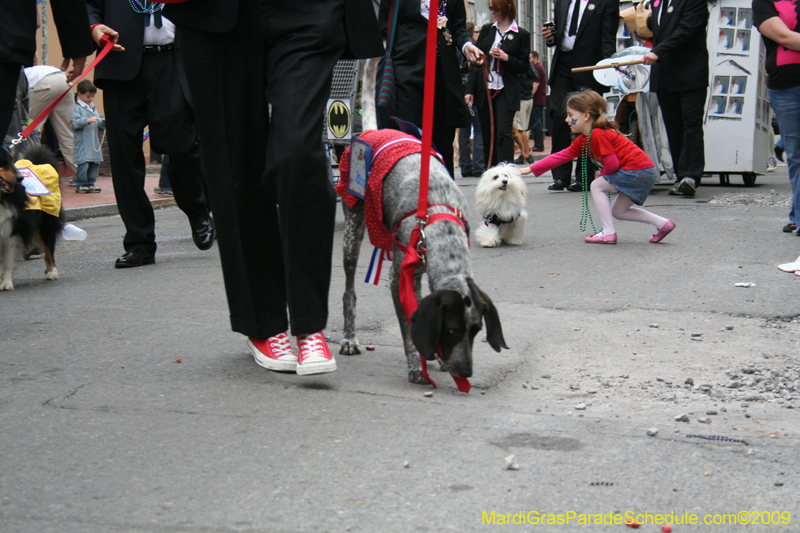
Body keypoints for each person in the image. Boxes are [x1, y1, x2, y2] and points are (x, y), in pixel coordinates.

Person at [163, 0, 383, 375]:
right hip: (219, 15)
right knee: (235, 162)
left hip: (307, 11)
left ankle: (309, 323)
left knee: (298, 152)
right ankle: (263, 323)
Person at [87, 1, 216, 268]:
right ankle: (139, 243)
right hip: (121, 62)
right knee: (124, 156)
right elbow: (88, 4)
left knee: (183, 145)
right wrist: (94, 26)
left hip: (174, 60)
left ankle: (197, 208)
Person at [521, 90, 675, 245]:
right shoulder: (585, 139)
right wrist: (531, 169)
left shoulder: (598, 134)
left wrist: (601, 176)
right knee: (619, 212)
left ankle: (608, 233)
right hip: (645, 171)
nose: (567, 119)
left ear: (586, 116)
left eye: (570, 115)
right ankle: (663, 224)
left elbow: (612, 164)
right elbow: (561, 156)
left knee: (596, 186)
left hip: (637, 170)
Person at [380, 0, 483, 178]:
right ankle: (409, 189)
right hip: (407, 68)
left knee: (443, 141)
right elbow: (384, 27)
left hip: (443, 73)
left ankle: (442, 191)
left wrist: (467, 46)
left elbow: (457, 26)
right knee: (409, 136)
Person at [542, 0, 618, 192]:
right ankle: (560, 176)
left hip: (589, 66)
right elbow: (560, 33)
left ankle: (585, 176)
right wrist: (551, 37)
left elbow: (608, 37)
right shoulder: (563, 2)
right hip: (563, 64)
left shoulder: (606, 3)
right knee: (559, 115)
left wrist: (607, 68)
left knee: (587, 119)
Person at [1, 0, 93, 149]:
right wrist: (76, 46)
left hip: (41, 81)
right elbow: (37, 21)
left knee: (32, 128)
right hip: (59, 78)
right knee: (67, 136)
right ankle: (78, 163)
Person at [642, 0, 709, 198]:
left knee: (691, 124)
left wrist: (658, 51)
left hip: (690, 74)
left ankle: (691, 176)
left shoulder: (693, 2)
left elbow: (686, 31)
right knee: (673, 128)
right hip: (665, 76)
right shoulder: (656, 4)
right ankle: (681, 176)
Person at [466, 0, 531, 167]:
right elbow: (476, 62)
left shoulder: (521, 34)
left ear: (507, 7)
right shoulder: (487, 30)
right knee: (488, 133)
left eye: (496, 9)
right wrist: (469, 90)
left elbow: (524, 66)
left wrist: (506, 58)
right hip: (485, 90)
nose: (493, 12)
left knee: (503, 132)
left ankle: (506, 169)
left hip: (506, 91)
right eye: (491, 9)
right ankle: (491, 171)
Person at [754, 0, 800, 236]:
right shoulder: (764, 2)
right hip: (786, 86)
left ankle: (797, 216)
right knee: (797, 156)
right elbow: (783, 36)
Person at [25, 66, 78, 176]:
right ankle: (82, 177)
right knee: (69, 135)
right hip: (63, 80)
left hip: (40, 84)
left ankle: (29, 175)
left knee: (31, 133)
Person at [458, 22, 485, 177]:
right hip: (471, 91)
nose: (478, 34)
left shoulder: (457, 50)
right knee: (478, 128)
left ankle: (465, 166)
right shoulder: (473, 50)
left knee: (464, 129)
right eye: (476, 32)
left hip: (459, 91)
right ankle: (478, 165)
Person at [70, 79, 103, 193]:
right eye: (88, 96)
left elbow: (98, 125)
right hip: (83, 143)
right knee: (83, 164)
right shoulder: (77, 108)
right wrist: (87, 120)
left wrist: (103, 122)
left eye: (93, 96)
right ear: (80, 94)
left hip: (93, 143)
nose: (91, 99)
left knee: (94, 164)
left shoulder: (93, 107)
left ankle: (90, 182)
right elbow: (75, 123)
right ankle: (81, 183)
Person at [512, 56, 537, 165]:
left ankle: (526, 155)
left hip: (521, 99)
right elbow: (535, 76)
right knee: (523, 128)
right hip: (529, 98)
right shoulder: (528, 64)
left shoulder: (518, 66)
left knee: (519, 129)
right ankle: (526, 154)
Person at [529, 50, 547, 152]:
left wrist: (530, 95)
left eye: (530, 58)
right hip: (539, 98)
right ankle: (538, 144)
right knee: (536, 121)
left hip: (537, 99)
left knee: (536, 122)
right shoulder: (539, 68)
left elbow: (536, 84)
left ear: (535, 58)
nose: (529, 60)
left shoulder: (537, 68)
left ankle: (539, 145)